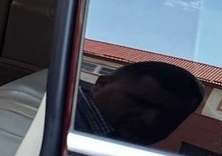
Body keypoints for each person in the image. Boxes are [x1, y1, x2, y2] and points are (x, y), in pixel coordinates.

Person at [75, 60, 204, 146]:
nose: (150, 120)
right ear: (102, 85)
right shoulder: (67, 121)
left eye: (168, 117)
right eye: (142, 103)